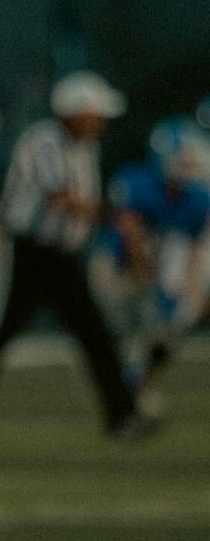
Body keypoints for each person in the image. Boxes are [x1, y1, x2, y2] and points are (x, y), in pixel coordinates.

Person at [0, 71, 153, 440]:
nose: (102, 120)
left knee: (95, 335)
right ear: (74, 112)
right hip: (29, 253)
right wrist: (113, 215)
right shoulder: (43, 141)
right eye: (96, 112)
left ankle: (122, 416)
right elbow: (59, 198)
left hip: (65, 255)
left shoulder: (86, 147)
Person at [92, 116, 210, 406]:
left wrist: (193, 289)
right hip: (117, 263)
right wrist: (147, 279)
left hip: (158, 267)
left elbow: (196, 247)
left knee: (164, 334)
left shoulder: (197, 197)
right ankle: (117, 393)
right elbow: (131, 237)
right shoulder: (136, 182)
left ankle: (137, 388)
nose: (189, 164)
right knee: (113, 332)